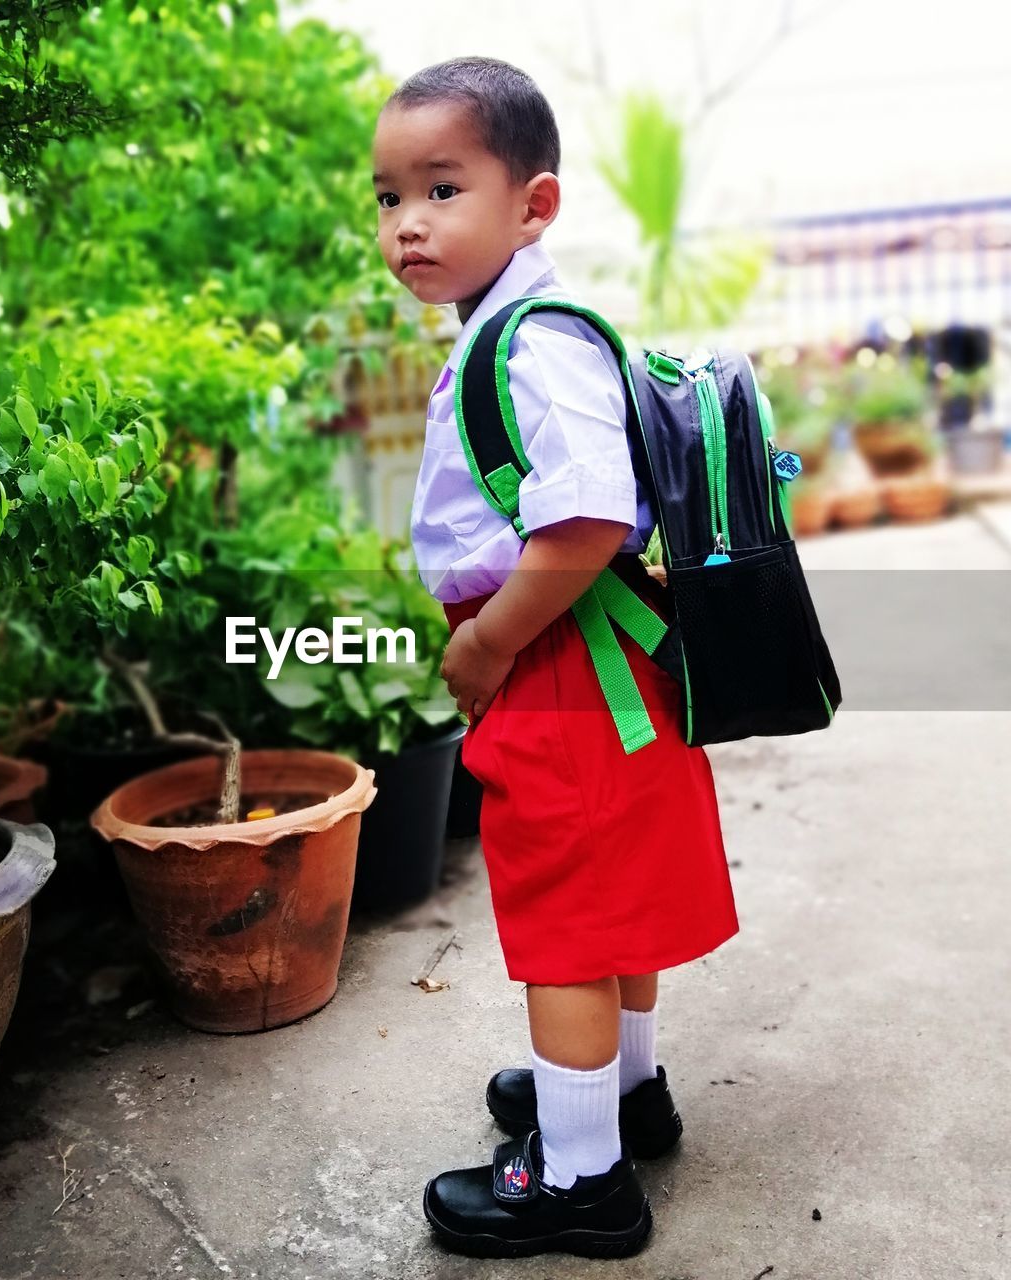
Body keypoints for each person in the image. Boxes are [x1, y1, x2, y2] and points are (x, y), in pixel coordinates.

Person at [371, 56, 739, 1259]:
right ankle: (623, 1093)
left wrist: (481, 641)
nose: (407, 222)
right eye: (387, 196)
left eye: (440, 187)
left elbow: (581, 519)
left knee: (566, 921)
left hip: (561, 667)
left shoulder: (527, 344)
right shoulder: (511, 330)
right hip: (602, 665)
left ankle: (580, 1180)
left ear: (533, 204)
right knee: (611, 897)